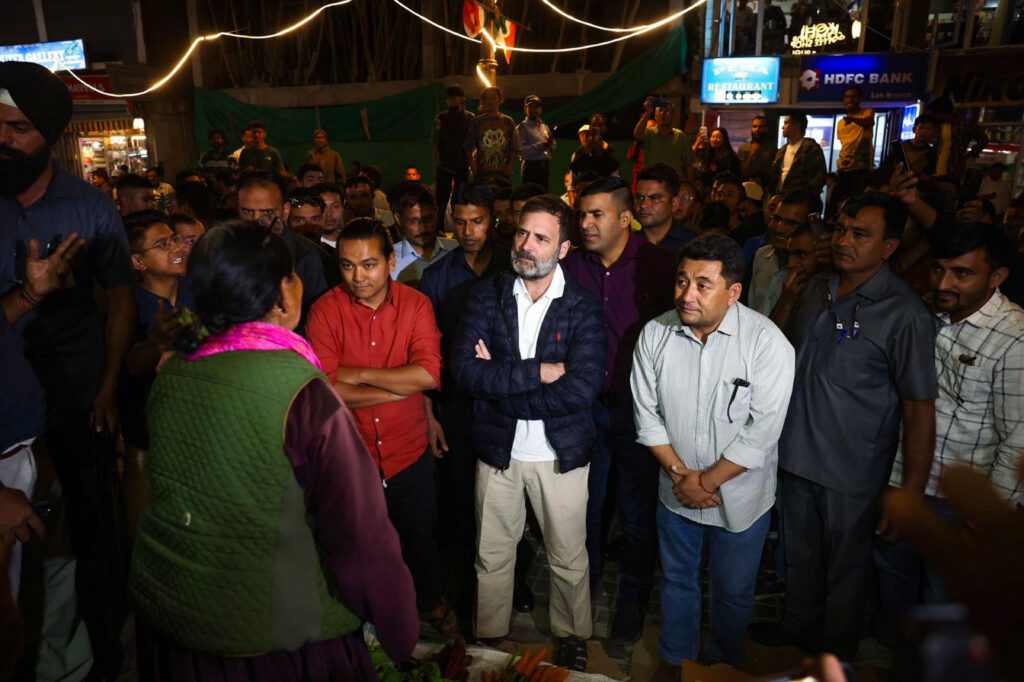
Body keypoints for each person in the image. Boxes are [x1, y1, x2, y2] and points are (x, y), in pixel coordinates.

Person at [129, 220, 418, 680]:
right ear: (285, 296)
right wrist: (399, 631)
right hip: (271, 641)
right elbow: (360, 537)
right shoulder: (301, 390)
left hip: (171, 620)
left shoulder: (176, 371)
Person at [0, 60, 137, 679]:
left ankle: (103, 653)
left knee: (91, 531)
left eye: (19, 128)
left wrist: (108, 386)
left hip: (78, 395)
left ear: (48, 137)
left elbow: (120, 298)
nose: (2, 139)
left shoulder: (89, 208)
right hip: (2, 409)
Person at [775, 192, 938, 659]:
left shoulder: (903, 312)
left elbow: (918, 408)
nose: (843, 240)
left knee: (845, 574)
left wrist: (909, 490)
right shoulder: (815, 289)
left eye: (860, 234)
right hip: (795, 454)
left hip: (852, 471)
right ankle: (797, 636)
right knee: (800, 561)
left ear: (888, 248)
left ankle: (835, 655)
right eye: (841, 229)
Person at [451, 195, 605, 670]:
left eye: (541, 238)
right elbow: (462, 372)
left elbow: (581, 389)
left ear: (563, 249)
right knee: (491, 554)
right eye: (521, 233)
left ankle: (572, 635)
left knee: (567, 557)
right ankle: (490, 634)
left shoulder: (581, 306)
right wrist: (536, 371)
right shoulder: (488, 295)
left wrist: (500, 379)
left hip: (560, 454)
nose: (527, 245)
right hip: (498, 449)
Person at [632, 233, 794, 678]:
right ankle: (675, 657)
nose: (687, 295)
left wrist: (707, 481)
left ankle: (723, 661)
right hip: (676, 491)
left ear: (734, 291)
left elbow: (761, 433)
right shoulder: (656, 334)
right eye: (682, 281)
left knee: (734, 591)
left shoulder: (766, 344)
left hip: (739, 497)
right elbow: (647, 418)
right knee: (679, 580)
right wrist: (682, 476)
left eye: (703, 285)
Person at [875, 223, 1023, 653]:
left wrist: (982, 523)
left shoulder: (1013, 337)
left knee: (945, 600)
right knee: (893, 575)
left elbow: (1018, 438)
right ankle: (899, 659)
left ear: (996, 278)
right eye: (938, 270)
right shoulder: (928, 314)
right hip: (908, 479)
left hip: (960, 500)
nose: (943, 283)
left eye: (962, 273)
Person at [306, 218, 456, 637]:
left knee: (420, 539)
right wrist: (395, 388)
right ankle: (364, 619)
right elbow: (325, 390)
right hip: (349, 456)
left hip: (408, 451)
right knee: (355, 545)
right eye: (348, 266)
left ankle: (429, 603)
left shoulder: (416, 305)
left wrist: (353, 376)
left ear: (391, 261)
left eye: (369, 264)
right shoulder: (324, 310)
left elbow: (428, 374)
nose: (359, 277)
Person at [562, 177, 676, 658]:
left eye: (596, 215)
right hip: (585, 409)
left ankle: (631, 601)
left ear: (624, 218)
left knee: (635, 515)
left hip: (639, 414)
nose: (586, 224)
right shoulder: (569, 266)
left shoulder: (661, 267)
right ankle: (579, 602)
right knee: (584, 512)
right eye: (581, 215)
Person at [237, 173, 328, 322]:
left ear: (285, 211)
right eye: (247, 211)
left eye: (267, 212)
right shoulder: (225, 250)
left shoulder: (306, 255)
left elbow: (317, 319)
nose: (255, 220)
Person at [748, 189, 819, 314]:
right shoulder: (761, 256)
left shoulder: (814, 269)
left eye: (791, 223)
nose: (779, 227)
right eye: (776, 219)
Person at [390, 181, 456, 286]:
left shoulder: (455, 251)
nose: (423, 228)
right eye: (413, 221)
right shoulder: (388, 261)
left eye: (428, 219)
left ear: (436, 212)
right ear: (398, 219)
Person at [433, 84, 475, 219]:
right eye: (449, 99)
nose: (451, 101)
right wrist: (436, 164)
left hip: (462, 166)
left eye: (454, 98)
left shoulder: (470, 118)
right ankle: (438, 229)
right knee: (441, 201)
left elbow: (474, 143)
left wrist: (471, 163)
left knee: (460, 200)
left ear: (462, 99)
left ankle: (459, 228)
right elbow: (435, 143)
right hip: (444, 165)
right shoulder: (440, 118)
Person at [635, 164, 698, 254]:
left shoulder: (692, 244)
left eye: (654, 198)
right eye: (640, 198)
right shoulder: (624, 243)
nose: (644, 205)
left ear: (674, 203)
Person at [927, 96, 989, 182]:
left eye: (934, 113)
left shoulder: (964, 124)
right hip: (933, 171)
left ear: (942, 112)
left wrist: (967, 156)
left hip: (953, 171)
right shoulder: (937, 125)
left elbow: (983, 139)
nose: (933, 116)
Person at [633, 97, 696, 181]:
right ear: (655, 115)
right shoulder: (648, 133)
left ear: (673, 116)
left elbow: (689, 164)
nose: (663, 113)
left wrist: (690, 185)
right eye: (660, 110)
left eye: (667, 111)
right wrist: (647, 113)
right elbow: (637, 134)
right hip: (651, 181)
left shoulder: (680, 136)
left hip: (674, 184)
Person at [465, 86, 518, 182]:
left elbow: (514, 147)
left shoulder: (508, 121)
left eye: (493, 98)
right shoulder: (477, 122)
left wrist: (509, 168)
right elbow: (468, 146)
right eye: (487, 98)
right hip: (481, 173)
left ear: (500, 100)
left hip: (503, 173)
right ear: (483, 101)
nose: (490, 101)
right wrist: (473, 166)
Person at [771, 113, 827, 196]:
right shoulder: (782, 150)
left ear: (797, 125)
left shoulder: (811, 148)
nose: (783, 127)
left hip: (800, 201)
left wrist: (806, 199)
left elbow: (818, 178)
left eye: (786, 123)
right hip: (781, 199)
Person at [835, 86, 875, 192]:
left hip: (861, 169)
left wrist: (851, 119)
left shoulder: (867, 113)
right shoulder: (840, 123)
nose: (850, 100)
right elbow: (844, 144)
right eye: (847, 97)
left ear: (860, 99)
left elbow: (869, 122)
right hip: (843, 168)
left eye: (853, 97)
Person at [516, 95, 555, 189]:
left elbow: (553, 146)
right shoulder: (522, 128)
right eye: (530, 107)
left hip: (544, 167)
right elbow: (521, 152)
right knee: (531, 197)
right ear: (525, 109)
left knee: (544, 197)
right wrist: (540, 145)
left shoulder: (544, 126)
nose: (534, 110)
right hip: (531, 168)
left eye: (536, 107)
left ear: (540, 109)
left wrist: (551, 143)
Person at [570, 119, 620, 188]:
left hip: (605, 188)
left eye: (600, 124)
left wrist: (600, 149)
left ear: (604, 128)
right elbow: (574, 168)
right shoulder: (581, 151)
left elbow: (614, 169)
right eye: (594, 125)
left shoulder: (609, 149)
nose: (597, 127)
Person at [313, 181, 344, 256]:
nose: (329, 213)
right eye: (323, 207)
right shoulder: (311, 246)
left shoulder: (351, 240)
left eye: (335, 206)